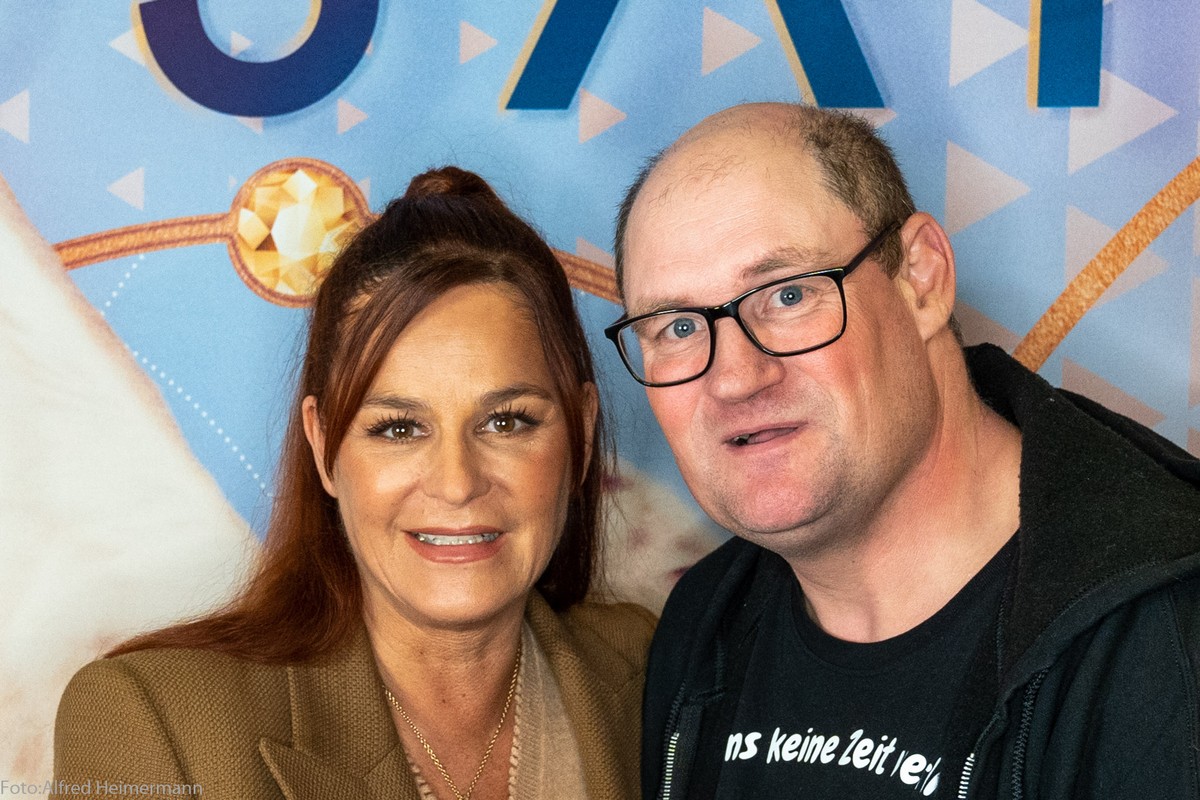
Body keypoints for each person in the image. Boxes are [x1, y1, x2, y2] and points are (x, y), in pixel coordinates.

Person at [606, 102, 1200, 799]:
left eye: (788, 295)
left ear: (920, 278)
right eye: (676, 328)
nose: (735, 378)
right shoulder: (702, 623)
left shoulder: (1167, 639)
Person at [54, 166, 655, 800]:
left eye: (506, 422)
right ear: (323, 446)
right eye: (399, 428)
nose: (456, 484)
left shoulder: (653, 670)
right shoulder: (153, 724)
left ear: (580, 435)